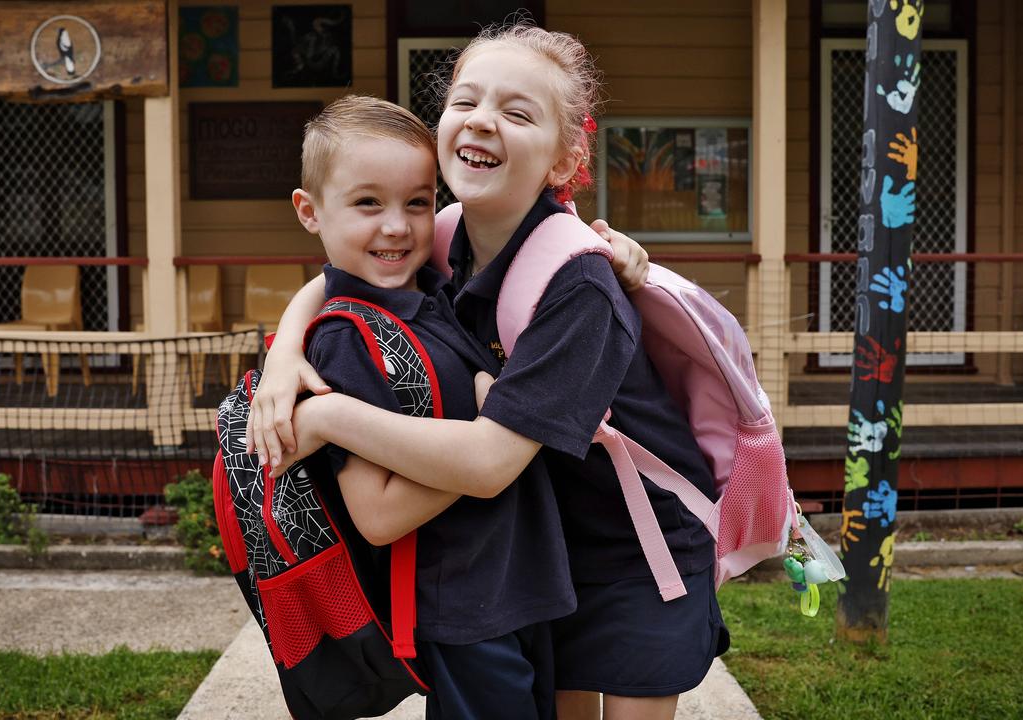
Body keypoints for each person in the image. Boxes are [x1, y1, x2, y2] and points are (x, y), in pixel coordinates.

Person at [255, 24, 726, 720]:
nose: (481, 119)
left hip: (639, 552)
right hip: (547, 541)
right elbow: (340, 279)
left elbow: (487, 464)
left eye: (517, 111)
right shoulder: (441, 235)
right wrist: (284, 354)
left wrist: (323, 416)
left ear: (565, 161)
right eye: (465, 100)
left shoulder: (580, 289)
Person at [289, 94, 575, 720]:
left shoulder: (430, 290)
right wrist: (498, 438)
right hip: (461, 605)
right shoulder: (345, 342)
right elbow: (380, 516)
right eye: (368, 203)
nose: (397, 226)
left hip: (516, 584)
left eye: (417, 203)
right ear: (310, 212)